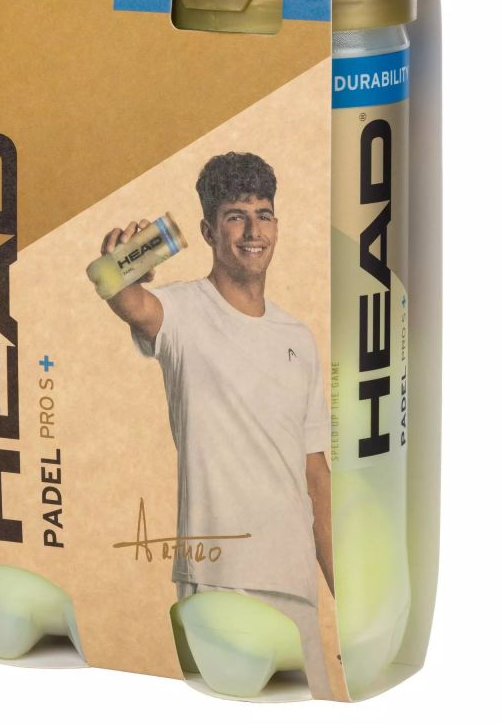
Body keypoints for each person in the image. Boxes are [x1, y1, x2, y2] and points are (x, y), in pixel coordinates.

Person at [98, 152, 333, 698]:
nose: (253, 231)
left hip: (295, 582)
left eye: (263, 215)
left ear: (276, 225)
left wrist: (347, 592)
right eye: (235, 216)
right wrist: (119, 265)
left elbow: (316, 475)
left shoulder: (298, 338)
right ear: (208, 231)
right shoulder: (180, 313)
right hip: (218, 580)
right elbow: (121, 294)